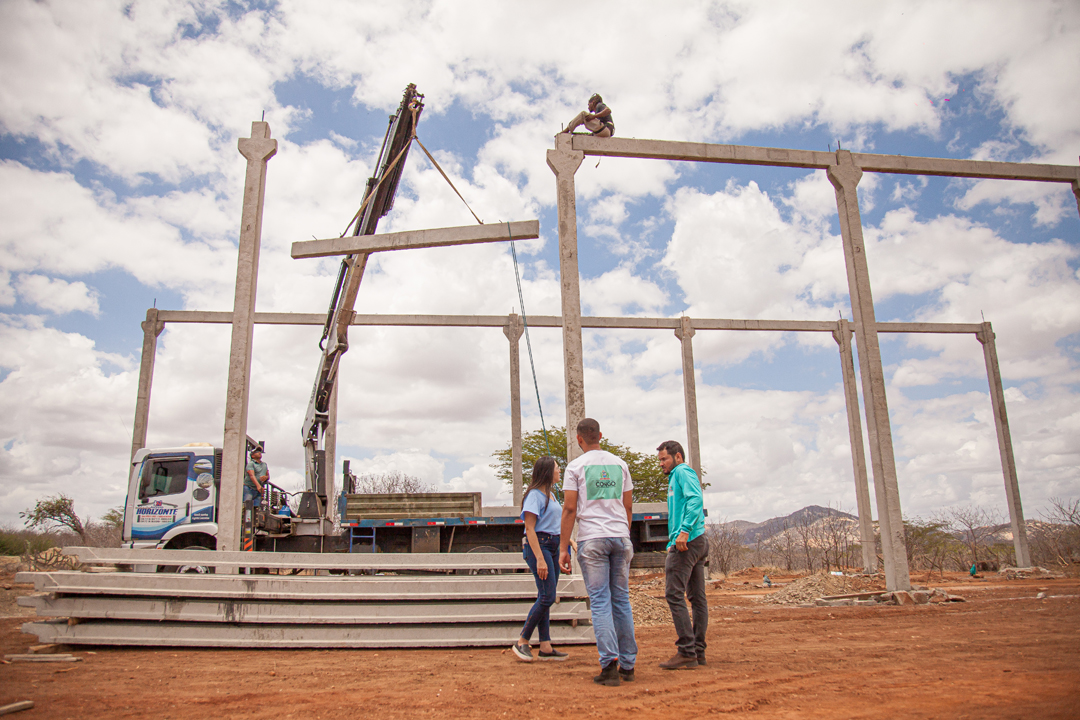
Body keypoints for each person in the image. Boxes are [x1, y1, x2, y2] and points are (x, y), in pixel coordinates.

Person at [559, 418, 636, 687]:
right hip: (620, 537)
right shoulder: (620, 464)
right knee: (621, 600)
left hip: (592, 539)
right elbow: (628, 507)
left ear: (578, 439)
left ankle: (609, 666)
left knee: (601, 601)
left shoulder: (575, 467)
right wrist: (623, 534)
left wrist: (563, 547)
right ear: (600, 436)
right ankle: (628, 665)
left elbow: (569, 508)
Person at [512, 456, 570, 663]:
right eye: (557, 468)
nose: (560, 471)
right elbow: (530, 528)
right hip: (540, 546)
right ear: (547, 471)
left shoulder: (551, 495)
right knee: (547, 597)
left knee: (545, 596)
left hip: (553, 545)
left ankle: (545, 646)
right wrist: (540, 559)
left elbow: (555, 524)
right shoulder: (534, 496)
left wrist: (568, 542)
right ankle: (522, 640)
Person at [656, 440, 708, 670]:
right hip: (697, 541)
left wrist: (684, 531)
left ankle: (687, 650)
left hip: (688, 542)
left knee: (673, 594)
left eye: (664, 459)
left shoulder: (682, 472)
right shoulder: (676, 476)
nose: (661, 464)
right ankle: (698, 651)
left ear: (678, 456)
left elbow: (695, 499)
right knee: (697, 597)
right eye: (660, 460)